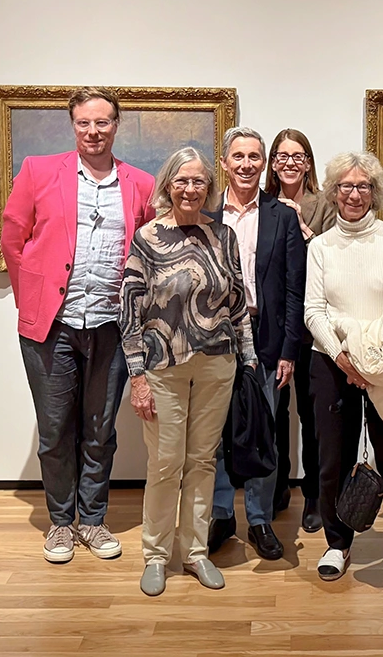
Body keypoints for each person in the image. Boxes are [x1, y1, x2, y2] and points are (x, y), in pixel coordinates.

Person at [1, 86, 155, 563]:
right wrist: (34, 300)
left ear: (116, 125)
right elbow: (12, 236)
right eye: (84, 123)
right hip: (52, 328)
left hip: (112, 325)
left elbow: (150, 249)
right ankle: (61, 523)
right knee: (54, 431)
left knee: (100, 429)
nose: (93, 131)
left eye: (103, 122)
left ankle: (93, 520)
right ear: (73, 125)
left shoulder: (140, 184)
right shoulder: (39, 171)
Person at [119, 147, 257, 596]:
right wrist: (137, 376)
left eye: (198, 182)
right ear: (168, 185)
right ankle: (156, 556)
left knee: (202, 460)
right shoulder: (148, 237)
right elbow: (129, 311)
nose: (190, 189)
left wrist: (249, 357)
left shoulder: (223, 236)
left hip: (218, 362)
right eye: (182, 180)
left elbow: (237, 303)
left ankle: (196, 552)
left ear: (208, 188)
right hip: (163, 366)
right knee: (165, 463)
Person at [305, 151, 383, 596]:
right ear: (334, 191)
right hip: (332, 365)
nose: (354, 194)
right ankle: (338, 544)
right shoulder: (320, 246)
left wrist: (370, 357)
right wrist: (343, 357)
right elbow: (314, 311)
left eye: (363, 186)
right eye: (346, 186)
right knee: (332, 461)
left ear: (374, 192)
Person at [206, 127, 306, 561]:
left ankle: (260, 520)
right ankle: (221, 514)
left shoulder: (282, 215)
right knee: (215, 434)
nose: (246, 164)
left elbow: (293, 290)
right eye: (238, 156)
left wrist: (288, 350)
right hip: (212, 340)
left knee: (262, 433)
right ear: (224, 163)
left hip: (265, 340)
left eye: (254, 157)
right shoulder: (205, 213)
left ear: (263, 163)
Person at [264, 128, 335, 531]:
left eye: (298, 155)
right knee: (274, 415)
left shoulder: (323, 204)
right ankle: (276, 489)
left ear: (308, 162)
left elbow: (330, 256)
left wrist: (299, 227)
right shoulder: (263, 204)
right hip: (275, 323)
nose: (290, 162)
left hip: (313, 322)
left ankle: (314, 495)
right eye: (282, 155)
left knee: (312, 415)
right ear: (273, 163)